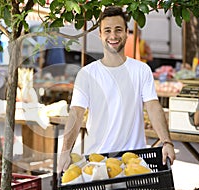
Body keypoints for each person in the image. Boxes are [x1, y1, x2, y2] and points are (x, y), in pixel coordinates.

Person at [58, 6, 175, 172]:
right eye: (107, 30)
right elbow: (76, 114)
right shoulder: (87, 74)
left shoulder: (141, 70)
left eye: (118, 30)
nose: (113, 36)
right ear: (100, 34)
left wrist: (167, 142)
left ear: (127, 32)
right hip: (98, 163)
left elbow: (153, 107)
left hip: (135, 162)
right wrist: (65, 151)